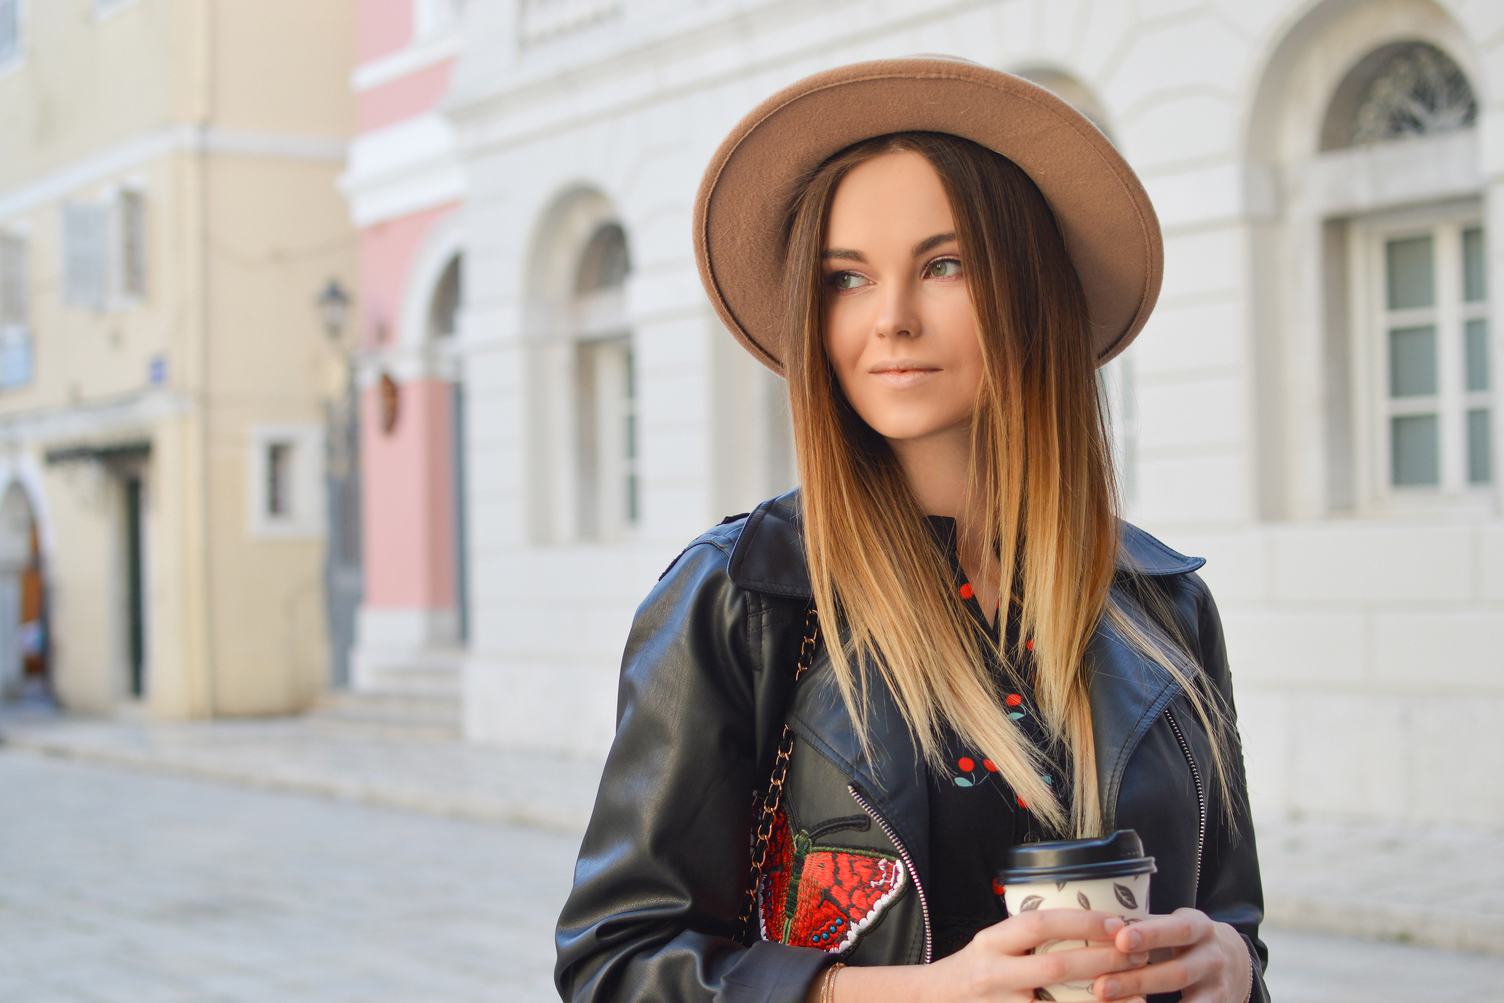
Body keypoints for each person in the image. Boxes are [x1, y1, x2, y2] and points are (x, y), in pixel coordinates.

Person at [555, 56, 1267, 1003]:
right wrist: (909, 993)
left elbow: (1236, 926)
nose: (889, 320)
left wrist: (1228, 966)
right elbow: (615, 965)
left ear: (1029, 290)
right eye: (846, 279)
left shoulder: (1164, 606)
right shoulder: (744, 598)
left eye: (944, 265)